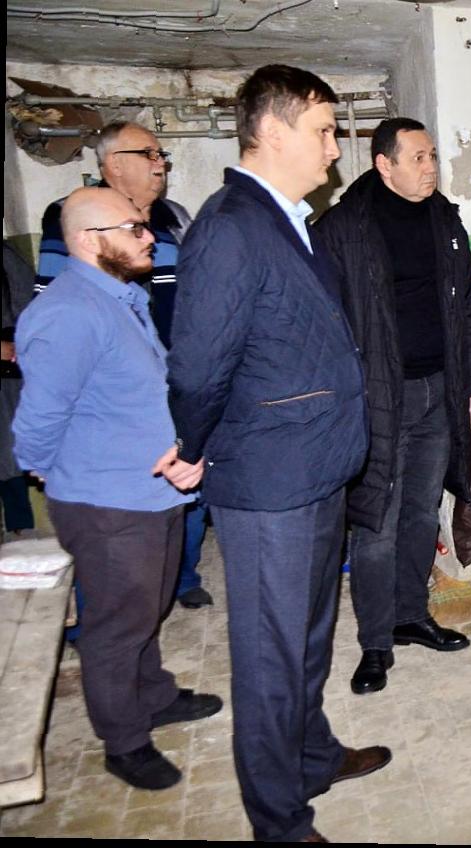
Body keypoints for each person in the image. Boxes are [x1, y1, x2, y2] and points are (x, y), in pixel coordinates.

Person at [166, 64, 388, 842]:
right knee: (269, 658)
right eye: (324, 131)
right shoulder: (229, 227)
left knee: (309, 638)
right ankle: (279, 820)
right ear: (272, 130)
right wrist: (191, 446)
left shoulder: (288, 219)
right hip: (268, 482)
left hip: (316, 469)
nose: (335, 149)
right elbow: (199, 365)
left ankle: (311, 755)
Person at [12, 186, 221, 790]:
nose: (148, 236)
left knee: (146, 608)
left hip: (150, 491)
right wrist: (53, 470)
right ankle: (123, 741)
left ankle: (153, 695)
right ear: (87, 241)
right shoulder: (68, 313)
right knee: (115, 627)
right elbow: (38, 418)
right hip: (108, 502)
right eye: (133, 228)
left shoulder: (121, 296)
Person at [314, 117, 471, 695]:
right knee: (377, 521)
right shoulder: (342, 229)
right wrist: (345, 404)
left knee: (421, 512)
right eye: (418, 158)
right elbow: (326, 326)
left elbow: (467, 309)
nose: (431, 167)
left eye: (433, 155)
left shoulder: (445, 221)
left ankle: (411, 615)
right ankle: (374, 642)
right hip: (379, 399)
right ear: (384, 165)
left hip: (441, 391)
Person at [33, 119, 212, 609]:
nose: (160, 164)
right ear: (113, 163)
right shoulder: (71, 215)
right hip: (112, 386)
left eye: (161, 155)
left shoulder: (174, 217)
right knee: (113, 505)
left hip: (177, 377)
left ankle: (182, 576)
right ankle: (103, 610)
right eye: (148, 154)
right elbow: (52, 302)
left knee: (188, 476)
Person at [2, 243, 36, 541]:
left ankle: (19, 530)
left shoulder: (7, 255)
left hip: (10, 368)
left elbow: (28, 300)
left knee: (10, 447)